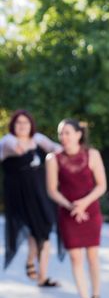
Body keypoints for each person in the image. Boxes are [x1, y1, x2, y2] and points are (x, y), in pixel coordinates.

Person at [46, 119, 107, 298]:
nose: (64, 137)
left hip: (90, 211)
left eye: (68, 132)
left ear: (79, 134)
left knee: (92, 257)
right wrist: (72, 206)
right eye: (61, 133)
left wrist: (83, 204)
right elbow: (52, 190)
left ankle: (96, 297)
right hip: (68, 213)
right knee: (75, 258)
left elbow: (101, 186)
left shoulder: (93, 155)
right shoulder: (52, 159)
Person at [1, 109, 61, 286]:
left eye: (25, 123)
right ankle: (42, 277)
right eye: (18, 123)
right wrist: (20, 145)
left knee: (40, 230)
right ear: (13, 125)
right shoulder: (7, 141)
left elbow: (56, 149)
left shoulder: (37, 139)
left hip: (40, 193)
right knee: (39, 232)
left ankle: (32, 263)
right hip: (19, 196)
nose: (22, 126)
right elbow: (15, 147)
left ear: (31, 124)